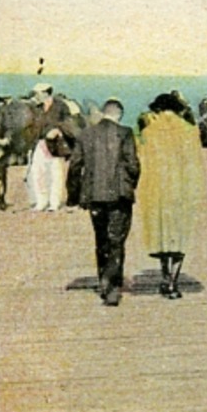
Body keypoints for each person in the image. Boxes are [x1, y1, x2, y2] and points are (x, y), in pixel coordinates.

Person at [70, 99, 141, 306]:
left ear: (103, 113)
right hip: (119, 195)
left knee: (101, 239)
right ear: (119, 114)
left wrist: (74, 194)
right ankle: (112, 286)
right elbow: (133, 164)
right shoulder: (125, 133)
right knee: (116, 240)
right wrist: (131, 185)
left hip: (94, 195)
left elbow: (75, 165)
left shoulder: (86, 134)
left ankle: (104, 280)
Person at [137, 92, 205, 300]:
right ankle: (173, 281)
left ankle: (165, 275)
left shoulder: (149, 132)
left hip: (157, 191)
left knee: (162, 235)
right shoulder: (189, 131)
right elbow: (195, 165)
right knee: (179, 236)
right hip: (182, 190)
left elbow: (143, 162)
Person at [27, 84, 78, 212]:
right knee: (38, 173)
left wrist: (58, 129)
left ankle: (54, 203)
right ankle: (41, 201)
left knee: (56, 174)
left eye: (37, 93)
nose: (35, 95)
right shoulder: (37, 108)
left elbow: (69, 122)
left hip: (56, 145)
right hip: (39, 144)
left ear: (45, 93)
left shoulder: (61, 106)